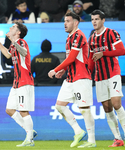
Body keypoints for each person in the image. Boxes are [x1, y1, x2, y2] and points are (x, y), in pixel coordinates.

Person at [48, 12, 96, 148]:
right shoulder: (69, 38)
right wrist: (64, 70)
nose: (65, 23)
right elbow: (71, 60)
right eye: (64, 21)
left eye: (68, 21)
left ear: (76, 23)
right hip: (70, 78)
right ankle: (78, 131)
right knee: (59, 105)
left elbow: (71, 58)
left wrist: (56, 69)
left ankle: (92, 141)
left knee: (84, 109)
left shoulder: (79, 35)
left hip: (81, 78)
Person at [0, 22, 37, 147]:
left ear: (18, 32)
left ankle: (29, 140)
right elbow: (7, 55)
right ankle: (30, 131)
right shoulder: (13, 45)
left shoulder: (22, 42)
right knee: (10, 110)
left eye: (13, 27)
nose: (10, 27)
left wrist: (13, 40)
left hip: (25, 81)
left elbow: (24, 52)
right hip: (16, 83)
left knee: (23, 110)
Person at [88, 9, 125, 147]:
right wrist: (88, 74)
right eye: (92, 19)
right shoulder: (91, 38)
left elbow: (122, 50)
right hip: (100, 77)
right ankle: (118, 139)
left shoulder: (112, 33)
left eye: (97, 19)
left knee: (116, 103)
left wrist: (103, 53)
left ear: (103, 20)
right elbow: (91, 59)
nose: (94, 22)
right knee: (107, 107)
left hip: (113, 73)